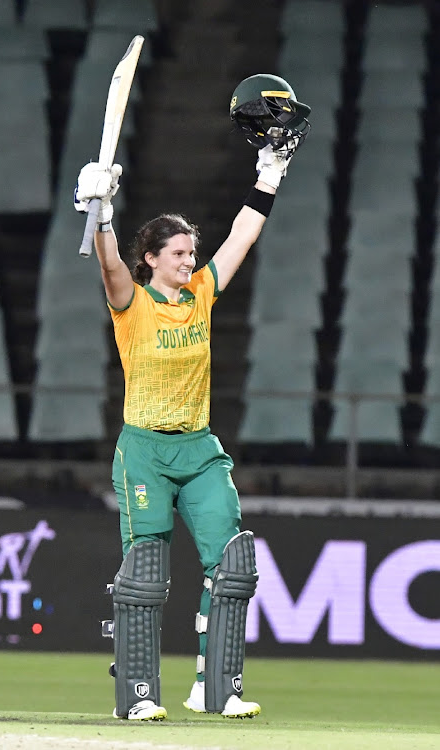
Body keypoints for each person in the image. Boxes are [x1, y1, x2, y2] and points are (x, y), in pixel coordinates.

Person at [74, 74, 310, 722]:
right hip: (144, 452)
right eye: (178, 252)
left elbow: (242, 236)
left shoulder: (202, 291)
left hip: (199, 451)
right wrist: (101, 211)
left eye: (190, 252)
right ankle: (138, 696)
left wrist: (268, 176)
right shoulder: (132, 300)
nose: (189, 259)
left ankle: (217, 689)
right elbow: (108, 267)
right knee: (147, 569)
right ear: (151, 257)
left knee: (233, 562)